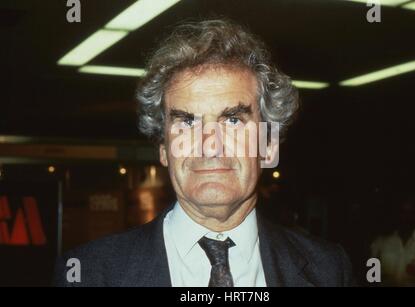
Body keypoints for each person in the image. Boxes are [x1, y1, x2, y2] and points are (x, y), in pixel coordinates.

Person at [53, 19, 353, 287]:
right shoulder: (89, 274)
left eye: (233, 120)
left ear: (268, 145)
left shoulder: (329, 270)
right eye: (186, 121)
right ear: (163, 148)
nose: (210, 144)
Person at [370, 197, 415, 286]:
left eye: (410, 213)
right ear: (397, 214)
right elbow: (371, 277)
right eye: (403, 212)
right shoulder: (380, 242)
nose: (406, 217)